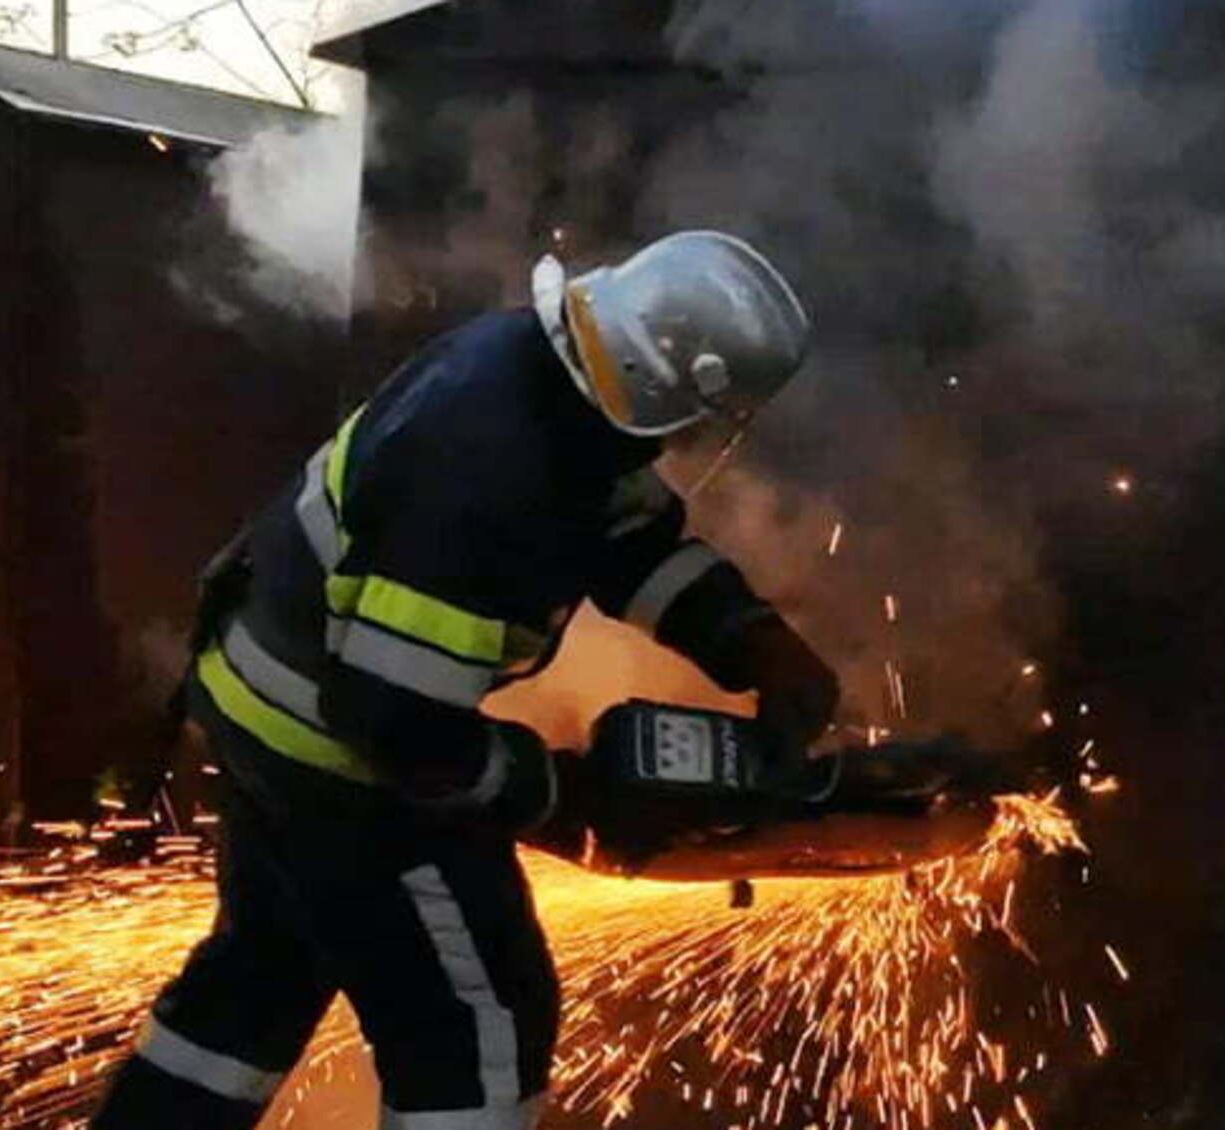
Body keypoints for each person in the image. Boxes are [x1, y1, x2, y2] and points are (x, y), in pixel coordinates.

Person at [90, 231, 839, 1130]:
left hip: (260, 707)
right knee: (477, 1027)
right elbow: (395, 727)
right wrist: (554, 791)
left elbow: (620, 536)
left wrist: (748, 638)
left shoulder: (537, 370)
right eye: (694, 419)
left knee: (258, 978)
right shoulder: (481, 481)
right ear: (669, 388)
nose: (689, 441)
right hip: (340, 766)